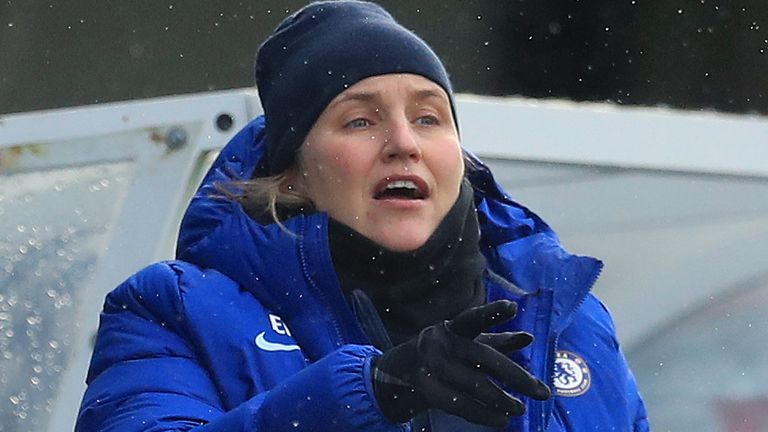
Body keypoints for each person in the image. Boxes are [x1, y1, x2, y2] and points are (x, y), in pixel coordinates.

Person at [75, 1, 649, 431]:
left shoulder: (568, 313)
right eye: (360, 121)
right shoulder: (173, 311)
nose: (404, 143)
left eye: (429, 118)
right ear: (293, 173)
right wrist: (369, 392)